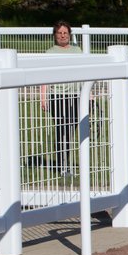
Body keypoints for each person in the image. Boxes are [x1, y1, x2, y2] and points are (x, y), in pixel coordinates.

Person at [39, 20, 83, 174]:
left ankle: (67, 162)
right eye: (60, 33)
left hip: (75, 95)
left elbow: (84, 73)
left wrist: (89, 94)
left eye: (65, 33)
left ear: (69, 35)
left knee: (71, 130)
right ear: (55, 35)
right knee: (62, 131)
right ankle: (62, 165)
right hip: (58, 96)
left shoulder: (77, 51)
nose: (63, 36)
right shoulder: (50, 53)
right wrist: (43, 97)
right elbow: (44, 76)